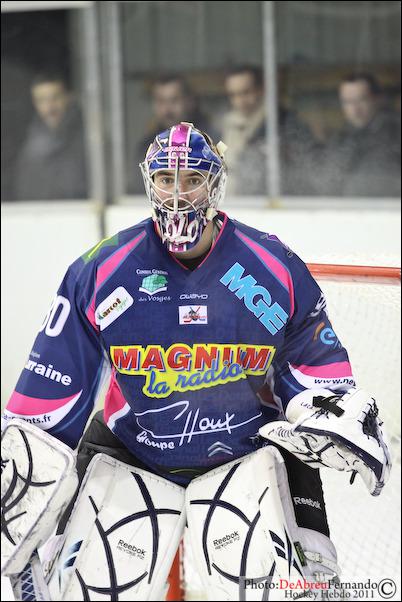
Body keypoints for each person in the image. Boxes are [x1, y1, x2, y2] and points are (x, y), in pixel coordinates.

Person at [2, 123, 391, 599]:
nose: (177, 194)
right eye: (166, 179)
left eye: (192, 180)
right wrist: (25, 474)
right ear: (149, 182)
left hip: (251, 453)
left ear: (215, 184)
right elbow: (51, 389)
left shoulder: (271, 265)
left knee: (302, 586)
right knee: (82, 588)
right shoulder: (100, 270)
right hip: (134, 450)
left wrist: (326, 406)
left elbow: (310, 354)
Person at [221, 65, 318, 195]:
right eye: (233, 95)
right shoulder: (227, 127)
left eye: (246, 92)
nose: (240, 100)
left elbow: (306, 171)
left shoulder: (285, 124)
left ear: (261, 90)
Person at [319, 73, 401, 197]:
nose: (355, 109)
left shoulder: (396, 134)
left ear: (377, 99)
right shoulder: (338, 140)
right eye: (347, 102)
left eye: (362, 100)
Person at [131, 74, 217, 192]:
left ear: (190, 101)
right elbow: (138, 189)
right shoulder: (146, 147)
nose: (167, 109)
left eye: (174, 100)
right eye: (161, 101)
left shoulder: (209, 142)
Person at [13, 72, 88, 201]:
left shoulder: (90, 138)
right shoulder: (28, 146)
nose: (49, 107)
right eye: (41, 100)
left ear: (69, 97)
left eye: (55, 98)